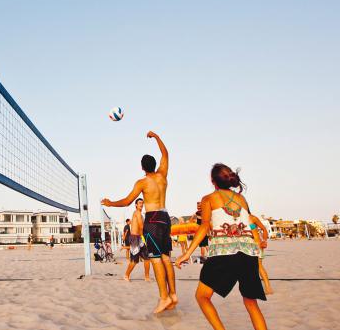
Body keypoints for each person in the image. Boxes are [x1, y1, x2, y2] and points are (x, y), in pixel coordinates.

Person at [175, 164, 267, 330]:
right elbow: (244, 221)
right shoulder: (242, 199)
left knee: (202, 297)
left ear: (213, 181)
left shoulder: (208, 198)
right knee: (251, 303)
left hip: (224, 253)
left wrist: (187, 253)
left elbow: (204, 227)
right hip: (248, 253)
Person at [102, 130, 178, 314]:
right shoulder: (163, 175)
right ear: (154, 165)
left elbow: (128, 201)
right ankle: (173, 294)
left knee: (156, 259)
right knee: (166, 257)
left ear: (142, 167)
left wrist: (111, 203)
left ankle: (164, 297)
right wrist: (157, 137)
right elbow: (165, 154)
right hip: (165, 217)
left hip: (152, 218)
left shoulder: (142, 182)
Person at [124, 198, 151, 281]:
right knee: (134, 260)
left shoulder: (141, 215)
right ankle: (126, 275)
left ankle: (146, 277)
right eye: (139, 203)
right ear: (136, 205)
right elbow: (141, 226)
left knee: (147, 258)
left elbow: (144, 225)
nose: (141, 204)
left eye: (142, 203)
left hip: (140, 238)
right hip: (135, 238)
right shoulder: (137, 213)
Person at [249, 214, 273, 295]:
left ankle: (268, 287)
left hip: (256, 245)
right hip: (244, 246)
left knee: (259, 266)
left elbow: (264, 229)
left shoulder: (253, 218)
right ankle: (254, 288)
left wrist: (264, 241)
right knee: (248, 267)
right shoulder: (237, 219)